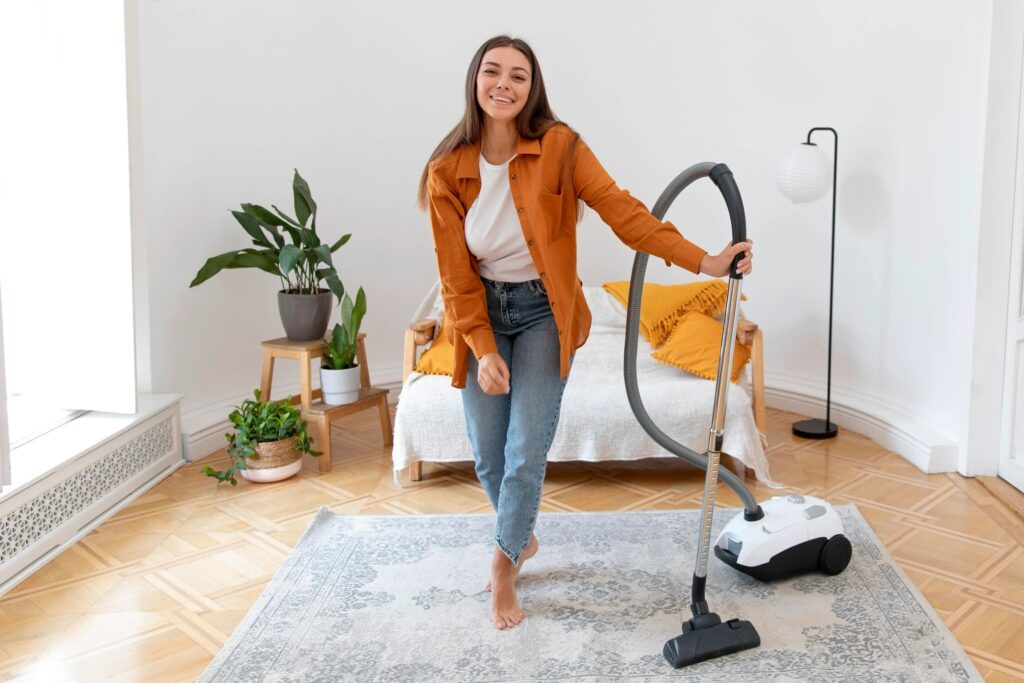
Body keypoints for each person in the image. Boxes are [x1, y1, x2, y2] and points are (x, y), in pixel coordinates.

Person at [417, 35, 753, 631]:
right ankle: (520, 536)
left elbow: (623, 212)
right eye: (492, 72)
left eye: (518, 75)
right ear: (474, 81)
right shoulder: (446, 171)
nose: (504, 84)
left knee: (524, 452)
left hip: (547, 313)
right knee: (489, 458)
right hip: (482, 317)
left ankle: (502, 564)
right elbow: (454, 276)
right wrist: (482, 345)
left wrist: (704, 260)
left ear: (532, 87)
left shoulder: (561, 147)